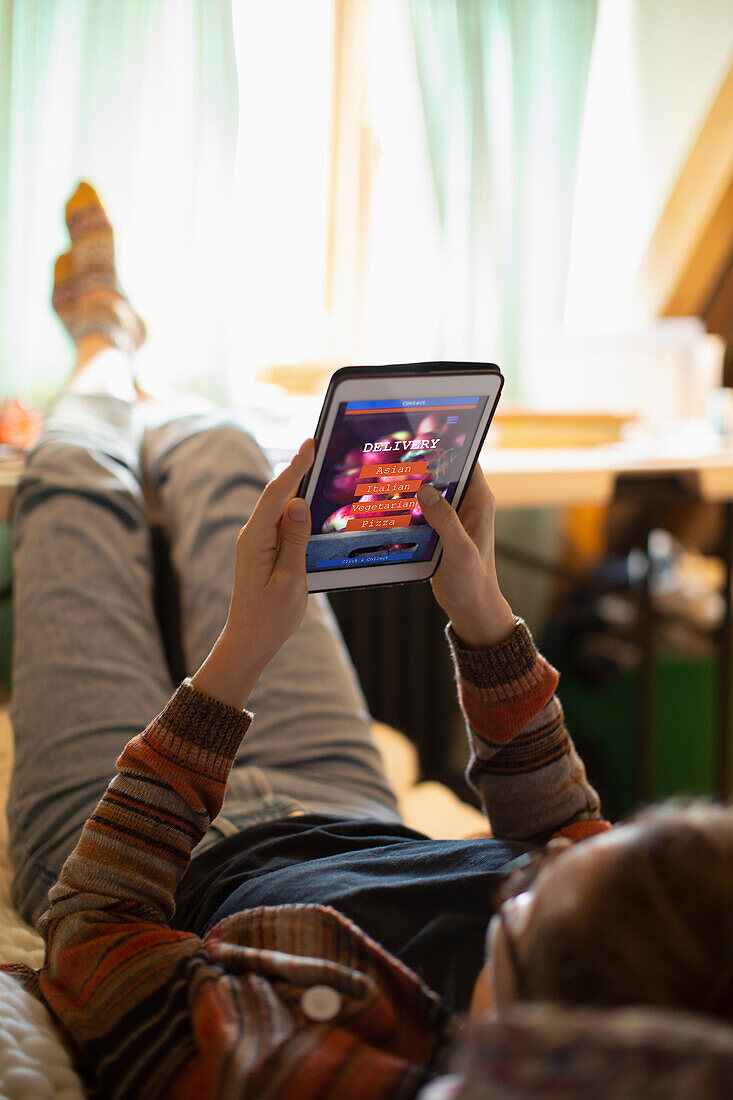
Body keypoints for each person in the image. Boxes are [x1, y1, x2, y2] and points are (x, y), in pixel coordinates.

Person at [1, 183, 731, 1100]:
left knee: (73, 480)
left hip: (162, 863)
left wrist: (238, 660)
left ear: (520, 1032)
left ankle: (101, 347)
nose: (532, 875)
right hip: (343, 798)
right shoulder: (619, 949)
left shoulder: (303, 1073)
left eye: (518, 913)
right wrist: (481, 611)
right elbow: (565, 831)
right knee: (241, 459)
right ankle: (130, 360)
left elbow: (95, 928)